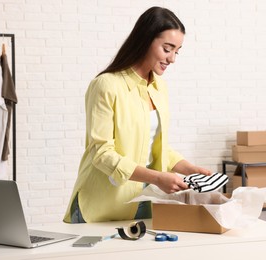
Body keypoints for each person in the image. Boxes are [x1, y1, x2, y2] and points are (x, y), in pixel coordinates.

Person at [63, 6, 212, 223]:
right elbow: (101, 153)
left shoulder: (159, 88)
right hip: (102, 204)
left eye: (176, 51)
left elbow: (152, 146)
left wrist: (188, 168)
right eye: (167, 48)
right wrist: (158, 177)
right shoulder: (106, 85)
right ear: (145, 40)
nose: (172, 59)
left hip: (145, 200)